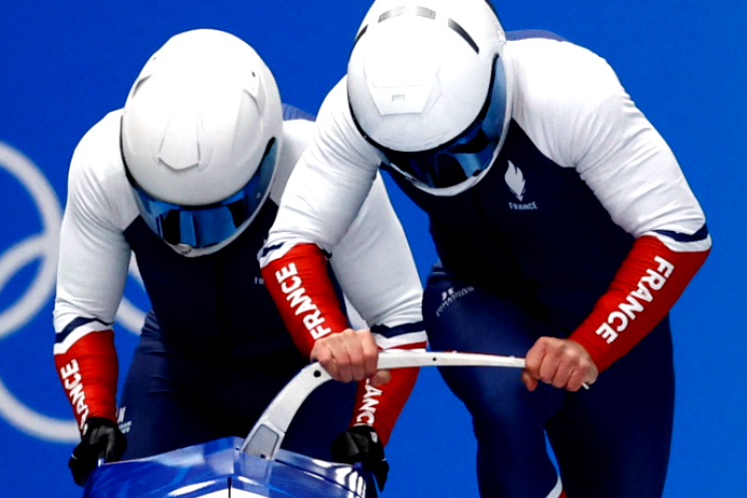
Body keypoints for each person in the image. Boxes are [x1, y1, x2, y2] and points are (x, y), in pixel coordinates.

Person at [259, 1, 711, 497]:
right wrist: (326, 333)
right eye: (418, 163)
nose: (448, 172)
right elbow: (292, 240)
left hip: (606, 307)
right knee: (505, 398)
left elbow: (678, 232)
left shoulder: (572, 91)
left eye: (465, 144)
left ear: (499, 80)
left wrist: (590, 345)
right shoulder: (351, 111)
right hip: (476, 295)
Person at [52, 28, 428, 489]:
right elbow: (82, 312)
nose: (190, 240)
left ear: (265, 166)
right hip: (177, 376)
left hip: (308, 381)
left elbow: (399, 314)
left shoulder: (322, 166)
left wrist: (368, 427)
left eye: (215, 217)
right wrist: (96, 419)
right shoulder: (100, 166)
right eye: (165, 215)